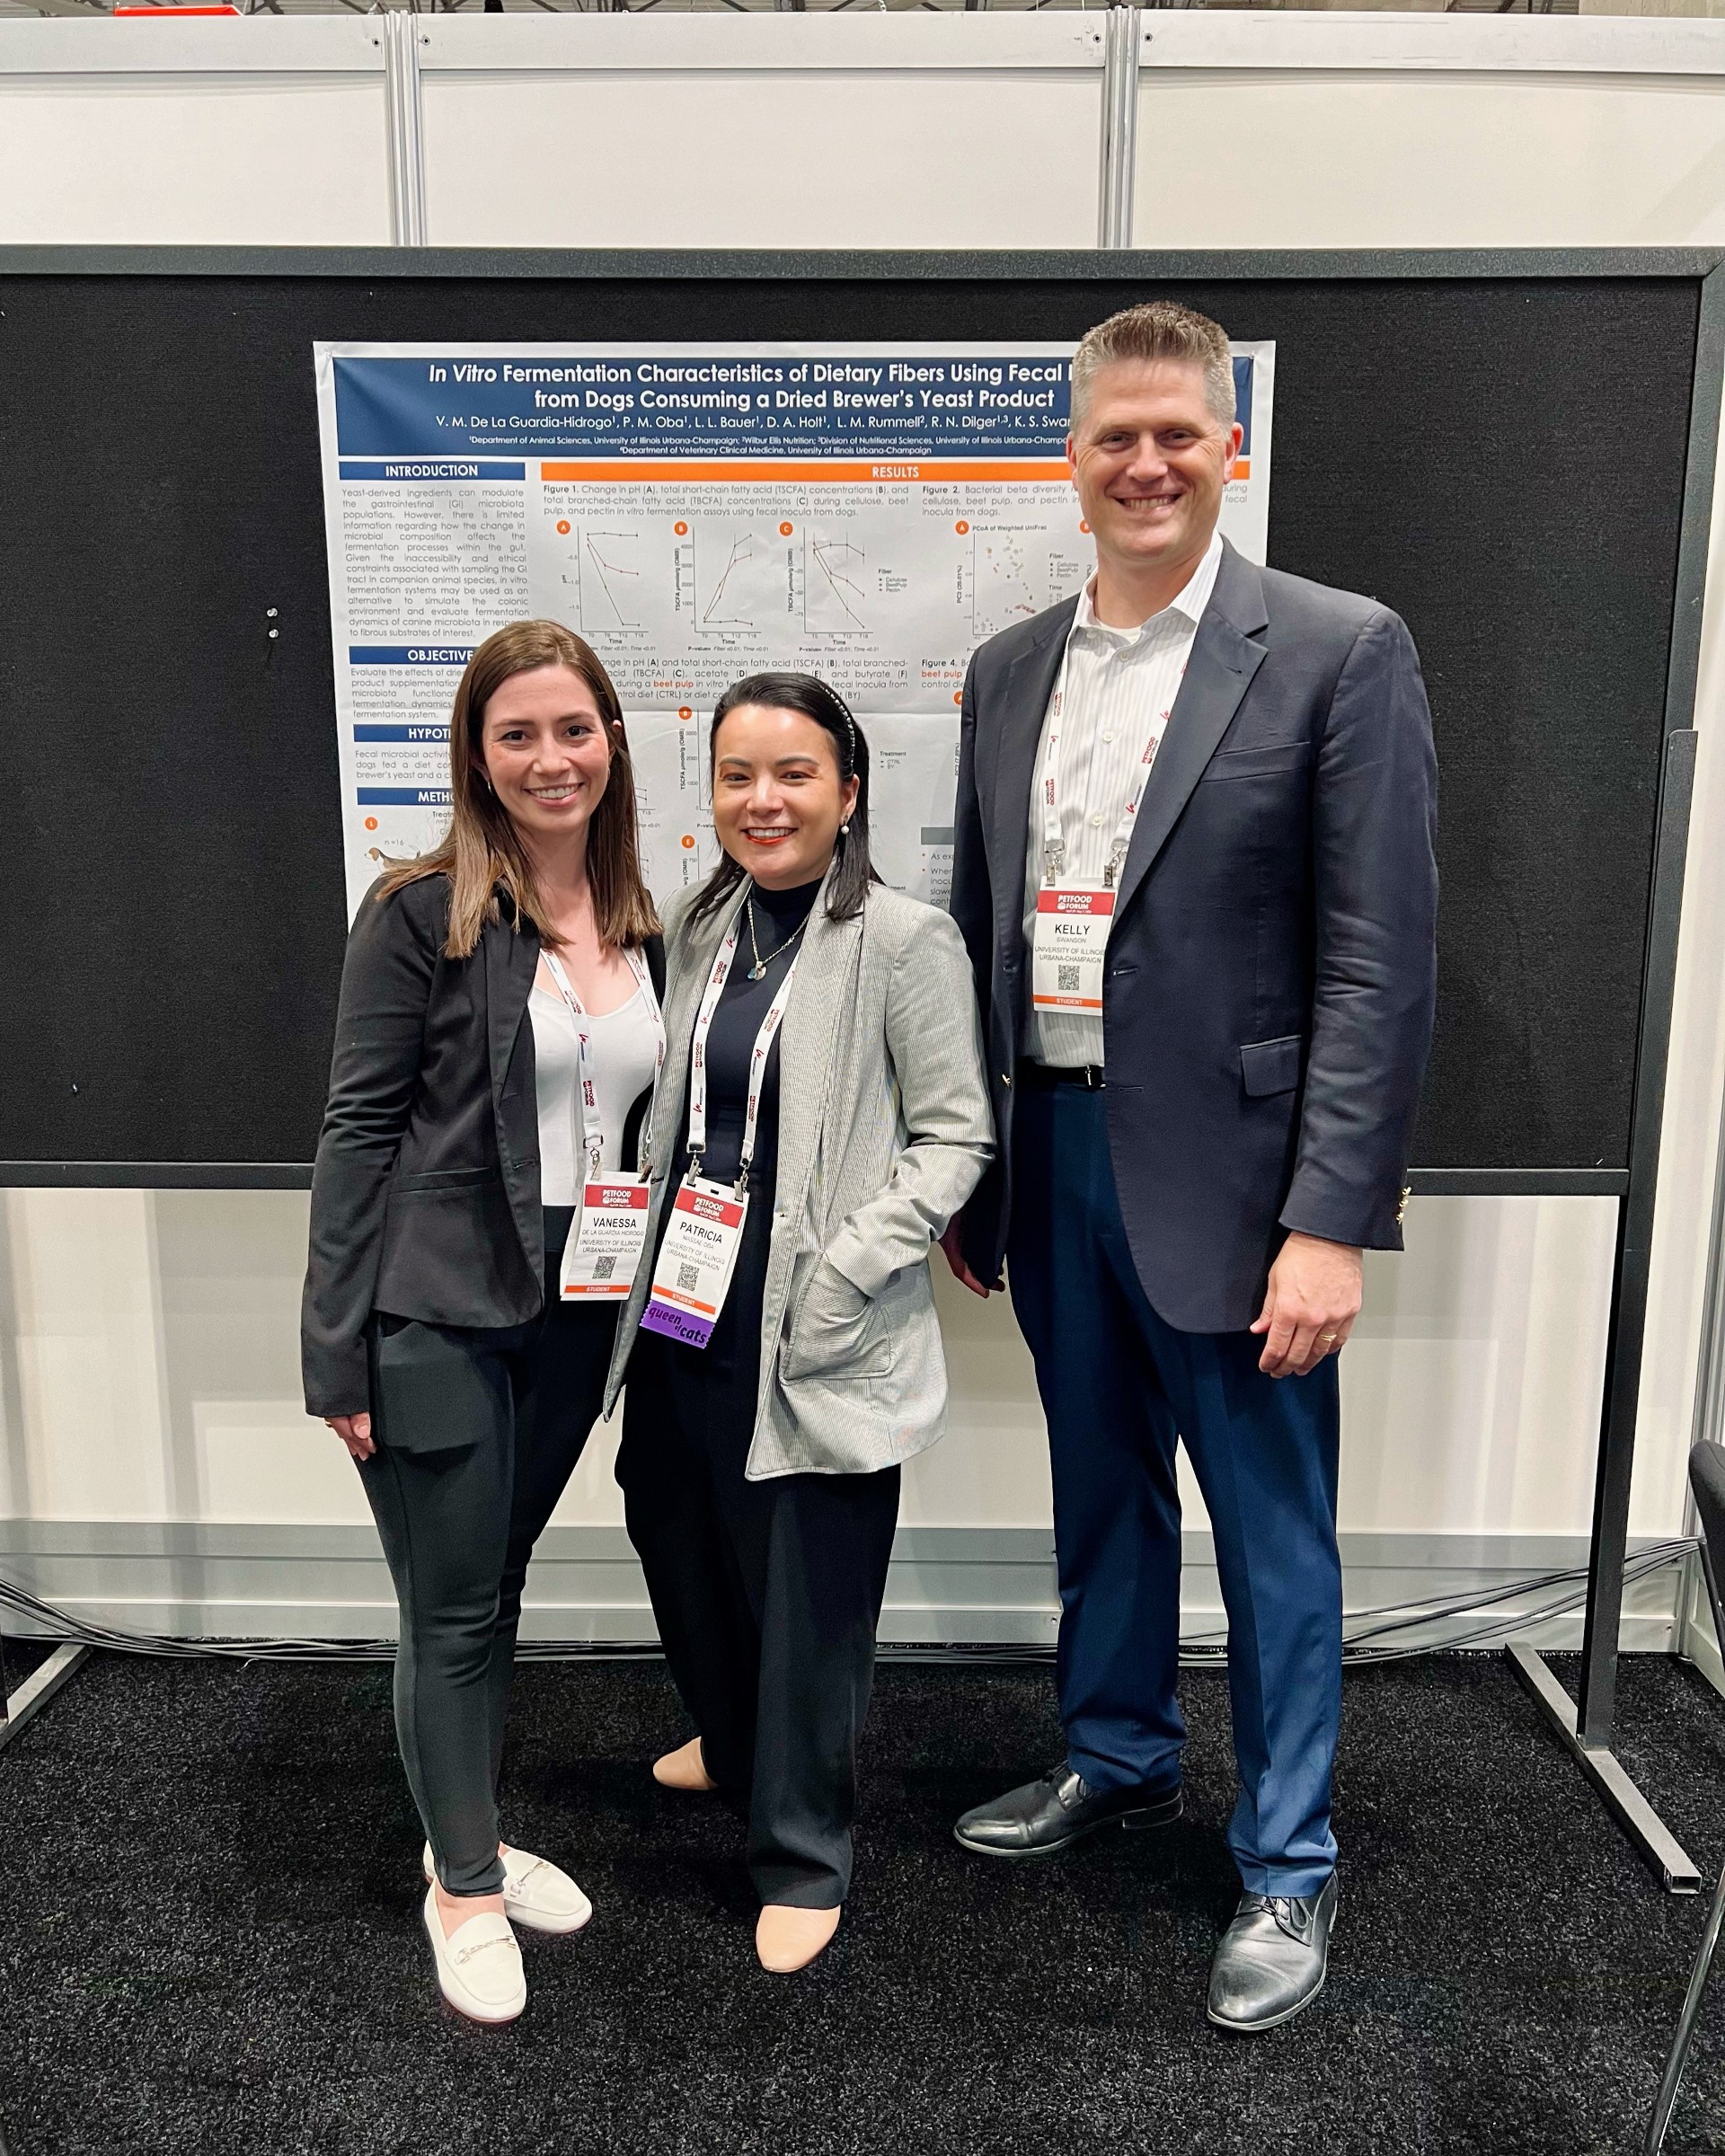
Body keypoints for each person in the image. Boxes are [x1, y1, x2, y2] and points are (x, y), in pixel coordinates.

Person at [942, 301, 1438, 2033]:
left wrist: (1330, 1223)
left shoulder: (1340, 649)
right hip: (1055, 1148)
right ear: (1069, 460)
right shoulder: (1009, 667)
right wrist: (979, 1170)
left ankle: (1288, 1863)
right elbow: (982, 930)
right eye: (1113, 438)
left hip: (1240, 1185)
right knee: (1101, 1492)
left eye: (1177, 434)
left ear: (1233, 447)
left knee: (1274, 1533)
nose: (1144, 464)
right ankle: (1118, 1752)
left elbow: (1379, 964)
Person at [301, 619, 665, 2026]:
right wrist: (334, 1349)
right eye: (517, 735)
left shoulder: (639, 916)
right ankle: (461, 1887)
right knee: (450, 1609)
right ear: (476, 755)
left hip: (577, 1310)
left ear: (611, 742)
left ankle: (472, 1835)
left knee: (491, 1588)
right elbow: (356, 1133)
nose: (549, 758)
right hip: (434, 1312)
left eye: (572, 729)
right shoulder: (419, 913)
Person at [604, 671, 993, 1977]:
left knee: (806, 1589)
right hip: (684, 1300)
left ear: (849, 790)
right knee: (674, 1523)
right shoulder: (702, 922)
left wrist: (846, 1266)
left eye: (793, 774)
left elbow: (955, 1138)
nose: (761, 800)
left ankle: (805, 1851)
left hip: (814, 1316)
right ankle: (732, 1739)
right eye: (737, 776)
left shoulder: (905, 940)